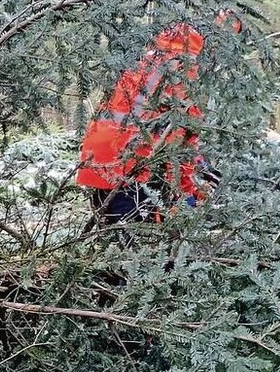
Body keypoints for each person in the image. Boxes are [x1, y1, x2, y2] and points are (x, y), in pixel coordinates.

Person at [77, 19, 223, 228]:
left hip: (101, 151)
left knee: (110, 220)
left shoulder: (146, 59)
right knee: (127, 231)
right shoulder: (182, 70)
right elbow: (181, 139)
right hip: (128, 156)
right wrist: (187, 191)